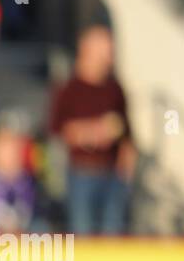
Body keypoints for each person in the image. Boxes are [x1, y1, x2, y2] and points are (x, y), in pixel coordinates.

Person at [49, 24, 134, 235]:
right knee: (82, 231)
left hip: (112, 174)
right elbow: (57, 129)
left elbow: (127, 134)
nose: (110, 56)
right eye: (104, 49)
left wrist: (125, 171)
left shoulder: (114, 89)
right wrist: (90, 132)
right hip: (82, 172)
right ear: (87, 49)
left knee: (112, 232)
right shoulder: (68, 89)